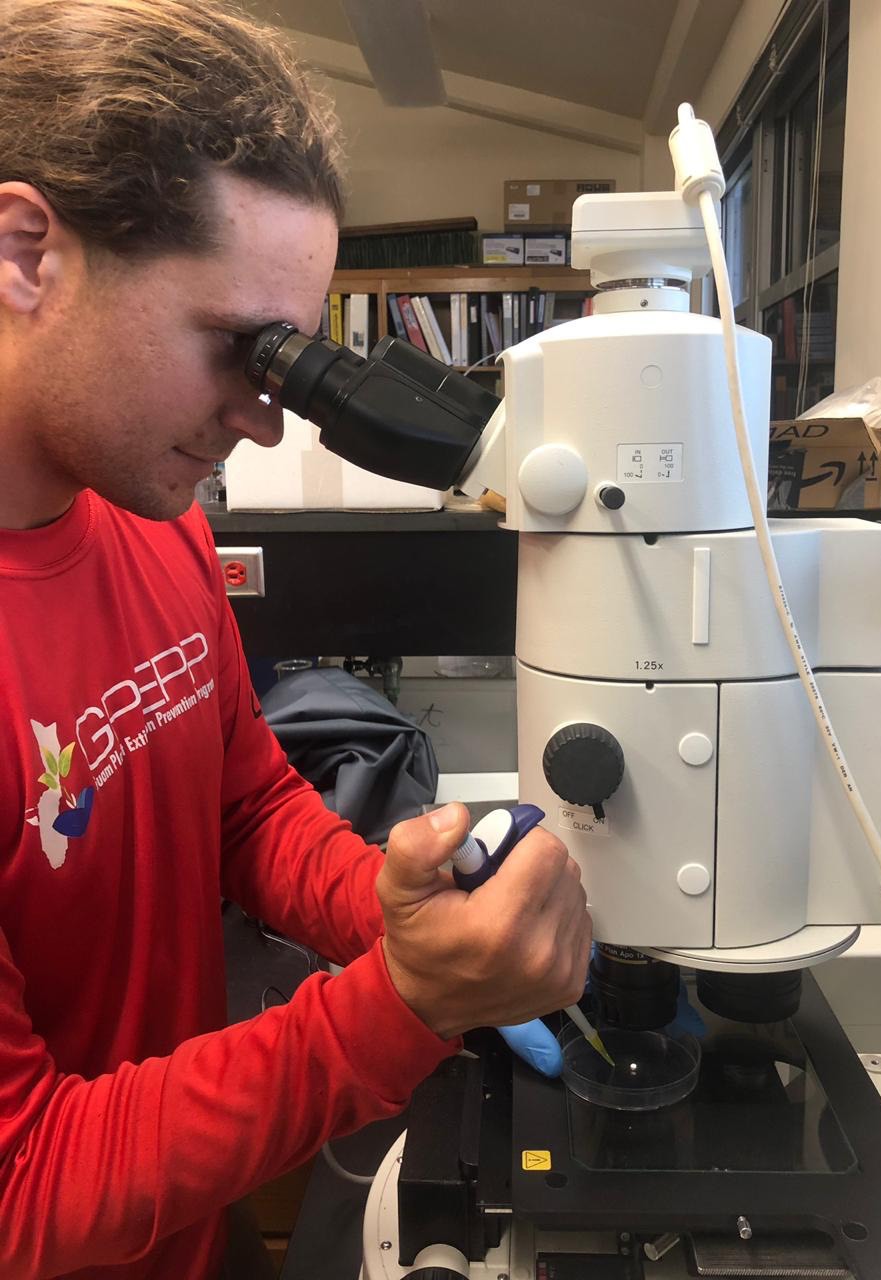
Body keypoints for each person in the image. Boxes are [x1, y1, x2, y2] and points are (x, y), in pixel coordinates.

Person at [0, 2, 592, 1277]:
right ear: (25, 250)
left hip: (193, 1234)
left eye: (288, 357)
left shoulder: (149, 520)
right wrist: (401, 1004)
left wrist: (380, 900)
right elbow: (20, 1185)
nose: (267, 423)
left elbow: (245, 802)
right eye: (237, 345)